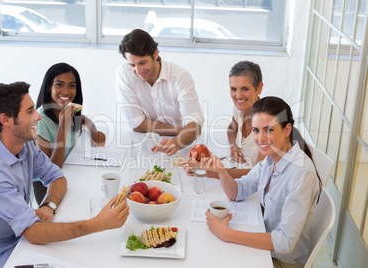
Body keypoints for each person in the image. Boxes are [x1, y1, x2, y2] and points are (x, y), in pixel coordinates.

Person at [0, 82, 129, 267]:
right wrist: (97, 224)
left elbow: (57, 177)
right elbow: (34, 233)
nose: (38, 116)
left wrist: (48, 205)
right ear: (6, 120)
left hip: (19, 242)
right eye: (29, 112)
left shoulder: (23, 144)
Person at [192, 97, 322, 267]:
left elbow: (285, 242)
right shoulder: (270, 159)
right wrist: (221, 171)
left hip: (282, 261)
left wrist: (227, 233)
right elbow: (237, 192)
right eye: (256, 130)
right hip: (264, 243)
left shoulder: (300, 173)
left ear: (287, 129)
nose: (260, 138)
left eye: (268, 130)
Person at [116, 29, 204, 156]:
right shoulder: (124, 73)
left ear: (155, 54)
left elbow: (194, 125)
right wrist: (179, 130)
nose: (138, 70)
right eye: (132, 65)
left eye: (142, 63)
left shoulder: (180, 77)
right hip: (143, 145)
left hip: (180, 145)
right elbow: (136, 123)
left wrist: (177, 142)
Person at [34, 62, 106, 204]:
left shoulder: (68, 109)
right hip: (47, 185)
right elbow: (51, 168)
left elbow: (83, 120)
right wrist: (62, 129)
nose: (66, 91)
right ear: (49, 87)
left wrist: (94, 132)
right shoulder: (40, 120)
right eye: (59, 84)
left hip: (69, 172)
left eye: (72, 85)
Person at [227, 61, 264, 168]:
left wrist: (214, 171)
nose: (238, 96)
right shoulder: (238, 109)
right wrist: (233, 147)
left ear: (259, 88)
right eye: (233, 89)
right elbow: (231, 129)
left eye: (245, 89)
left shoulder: (267, 125)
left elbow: (258, 174)